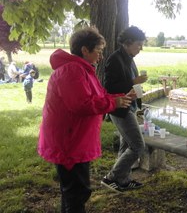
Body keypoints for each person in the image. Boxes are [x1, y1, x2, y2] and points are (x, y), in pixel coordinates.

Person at [37, 27, 134, 213]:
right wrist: (113, 103)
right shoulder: (72, 70)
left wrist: (121, 97)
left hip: (75, 139)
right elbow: (81, 104)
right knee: (77, 192)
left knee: (72, 191)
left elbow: (98, 95)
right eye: (98, 50)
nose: (100, 56)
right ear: (84, 50)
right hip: (69, 142)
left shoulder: (82, 69)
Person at [101, 26, 148, 192]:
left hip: (130, 105)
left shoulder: (128, 57)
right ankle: (111, 177)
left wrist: (137, 90)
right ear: (128, 43)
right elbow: (109, 87)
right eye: (138, 44)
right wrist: (134, 82)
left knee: (125, 145)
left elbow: (128, 82)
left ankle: (123, 180)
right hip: (120, 109)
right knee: (137, 146)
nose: (140, 48)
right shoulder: (115, 59)